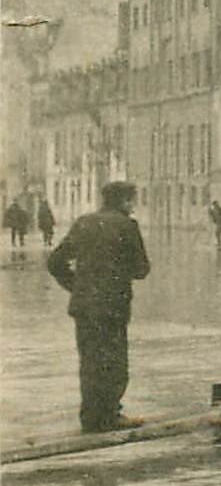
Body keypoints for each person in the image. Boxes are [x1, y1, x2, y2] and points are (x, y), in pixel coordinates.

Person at [46, 182, 150, 433]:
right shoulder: (128, 226)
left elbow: (55, 261)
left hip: (84, 305)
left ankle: (90, 417)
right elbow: (141, 269)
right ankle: (110, 415)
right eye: (131, 200)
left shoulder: (84, 222)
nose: (133, 205)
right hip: (113, 305)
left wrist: (77, 285)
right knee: (113, 361)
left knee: (90, 360)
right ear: (124, 201)